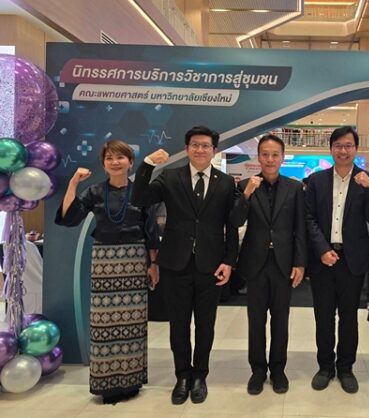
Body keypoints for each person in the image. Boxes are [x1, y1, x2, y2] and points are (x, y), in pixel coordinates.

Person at [131, 126, 238, 405]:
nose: (200, 150)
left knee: (205, 325)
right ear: (187, 148)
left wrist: (229, 261)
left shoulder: (226, 182)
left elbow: (231, 225)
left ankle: (200, 375)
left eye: (206, 145)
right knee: (178, 325)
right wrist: (147, 164)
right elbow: (139, 198)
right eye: (195, 145)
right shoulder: (170, 177)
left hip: (210, 265)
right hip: (175, 263)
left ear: (214, 150)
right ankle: (182, 376)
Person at [55, 140, 159, 404]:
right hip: (104, 259)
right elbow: (69, 218)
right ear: (103, 164)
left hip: (135, 258)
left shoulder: (141, 192)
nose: (115, 162)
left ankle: (131, 380)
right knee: (104, 322)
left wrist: (153, 264)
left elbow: (150, 230)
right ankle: (107, 383)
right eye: (109, 158)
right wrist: (73, 183)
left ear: (130, 162)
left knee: (133, 322)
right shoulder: (94, 191)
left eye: (120, 157)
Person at [305, 126, 369, 394]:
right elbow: (308, 218)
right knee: (323, 316)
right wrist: (322, 249)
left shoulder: (367, 179)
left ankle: (346, 368)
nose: (343, 150)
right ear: (331, 149)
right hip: (323, 259)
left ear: (356, 149)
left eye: (348, 145)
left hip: (353, 260)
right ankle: (325, 366)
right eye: (338, 145)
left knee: (349, 317)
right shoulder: (316, 181)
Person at [230, 134, 307, 395]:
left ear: (283, 157)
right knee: (256, 320)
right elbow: (235, 221)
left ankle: (278, 370)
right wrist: (246, 195)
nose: (270, 159)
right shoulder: (246, 185)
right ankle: (257, 370)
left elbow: (300, 228)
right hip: (256, 263)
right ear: (258, 157)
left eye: (275, 155)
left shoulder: (294, 188)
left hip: (283, 263)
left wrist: (300, 263)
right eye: (265, 154)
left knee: (280, 320)